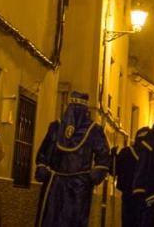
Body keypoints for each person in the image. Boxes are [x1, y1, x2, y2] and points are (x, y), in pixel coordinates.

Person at [34, 92, 111, 227]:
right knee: (52, 220)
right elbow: (44, 152)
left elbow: (103, 157)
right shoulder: (56, 127)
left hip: (78, 186)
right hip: (56, 184)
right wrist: (42, 167)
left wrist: (92, 176)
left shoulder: (93, 130)